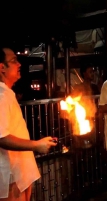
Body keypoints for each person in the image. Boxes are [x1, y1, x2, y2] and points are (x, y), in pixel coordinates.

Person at [0, 47, 57, 201]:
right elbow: (2, 138)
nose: (19, 64)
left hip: (17, 173)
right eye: (13, 61)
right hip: (10, 175)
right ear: (1, 68)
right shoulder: (1, 95)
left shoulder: (7, 93)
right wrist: (36, 145)